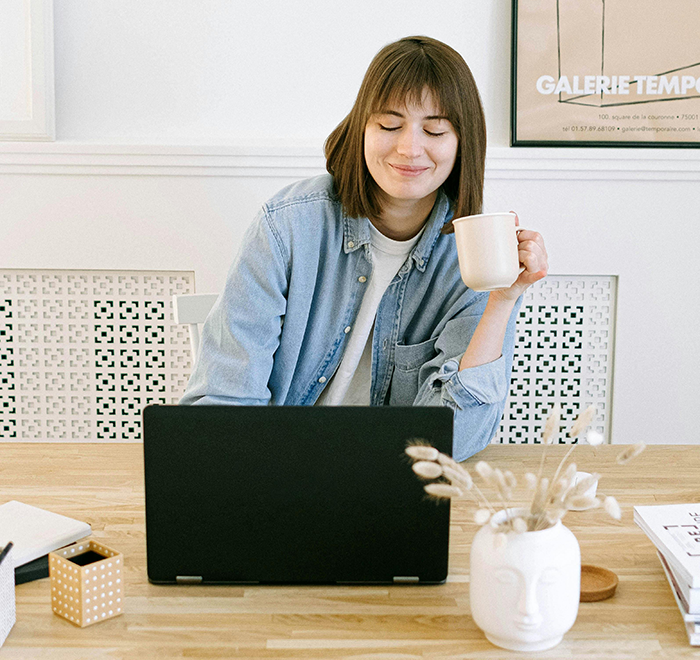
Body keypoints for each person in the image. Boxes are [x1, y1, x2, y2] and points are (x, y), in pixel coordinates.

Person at [179, 35, 548, 461]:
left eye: (434, 129)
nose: (409, 148)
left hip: (390, 483)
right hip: (275, 467)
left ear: (463, 142)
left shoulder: (478, 254)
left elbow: (454, 440)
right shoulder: (288, 225)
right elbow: (224, 406)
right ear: (361, 129)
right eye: (389, 125)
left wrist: (501, 300)